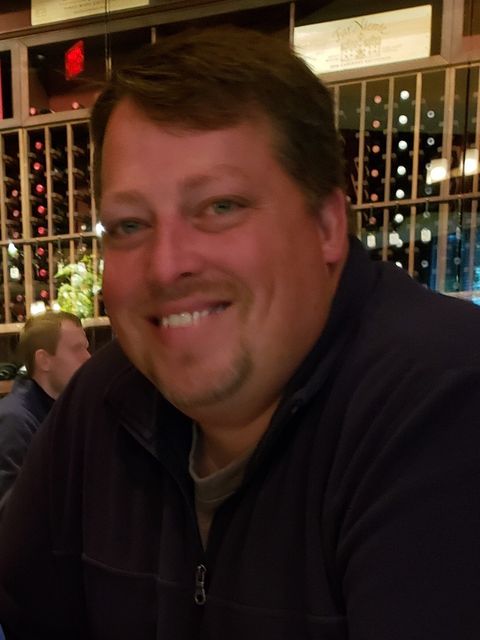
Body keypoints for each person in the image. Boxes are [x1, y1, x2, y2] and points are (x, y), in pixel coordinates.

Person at [0, 27, 479, 640]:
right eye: (128, 225)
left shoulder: (448, 402)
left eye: (220, 206)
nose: (166, 265)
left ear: (327, 225)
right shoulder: (100, 405)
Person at [0, 310, 90, 512]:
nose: (88, 358)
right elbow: (11, 513)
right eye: (77, 349)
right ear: (44, 360)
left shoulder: (69, 412)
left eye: (86, 348)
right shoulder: (14, 421)